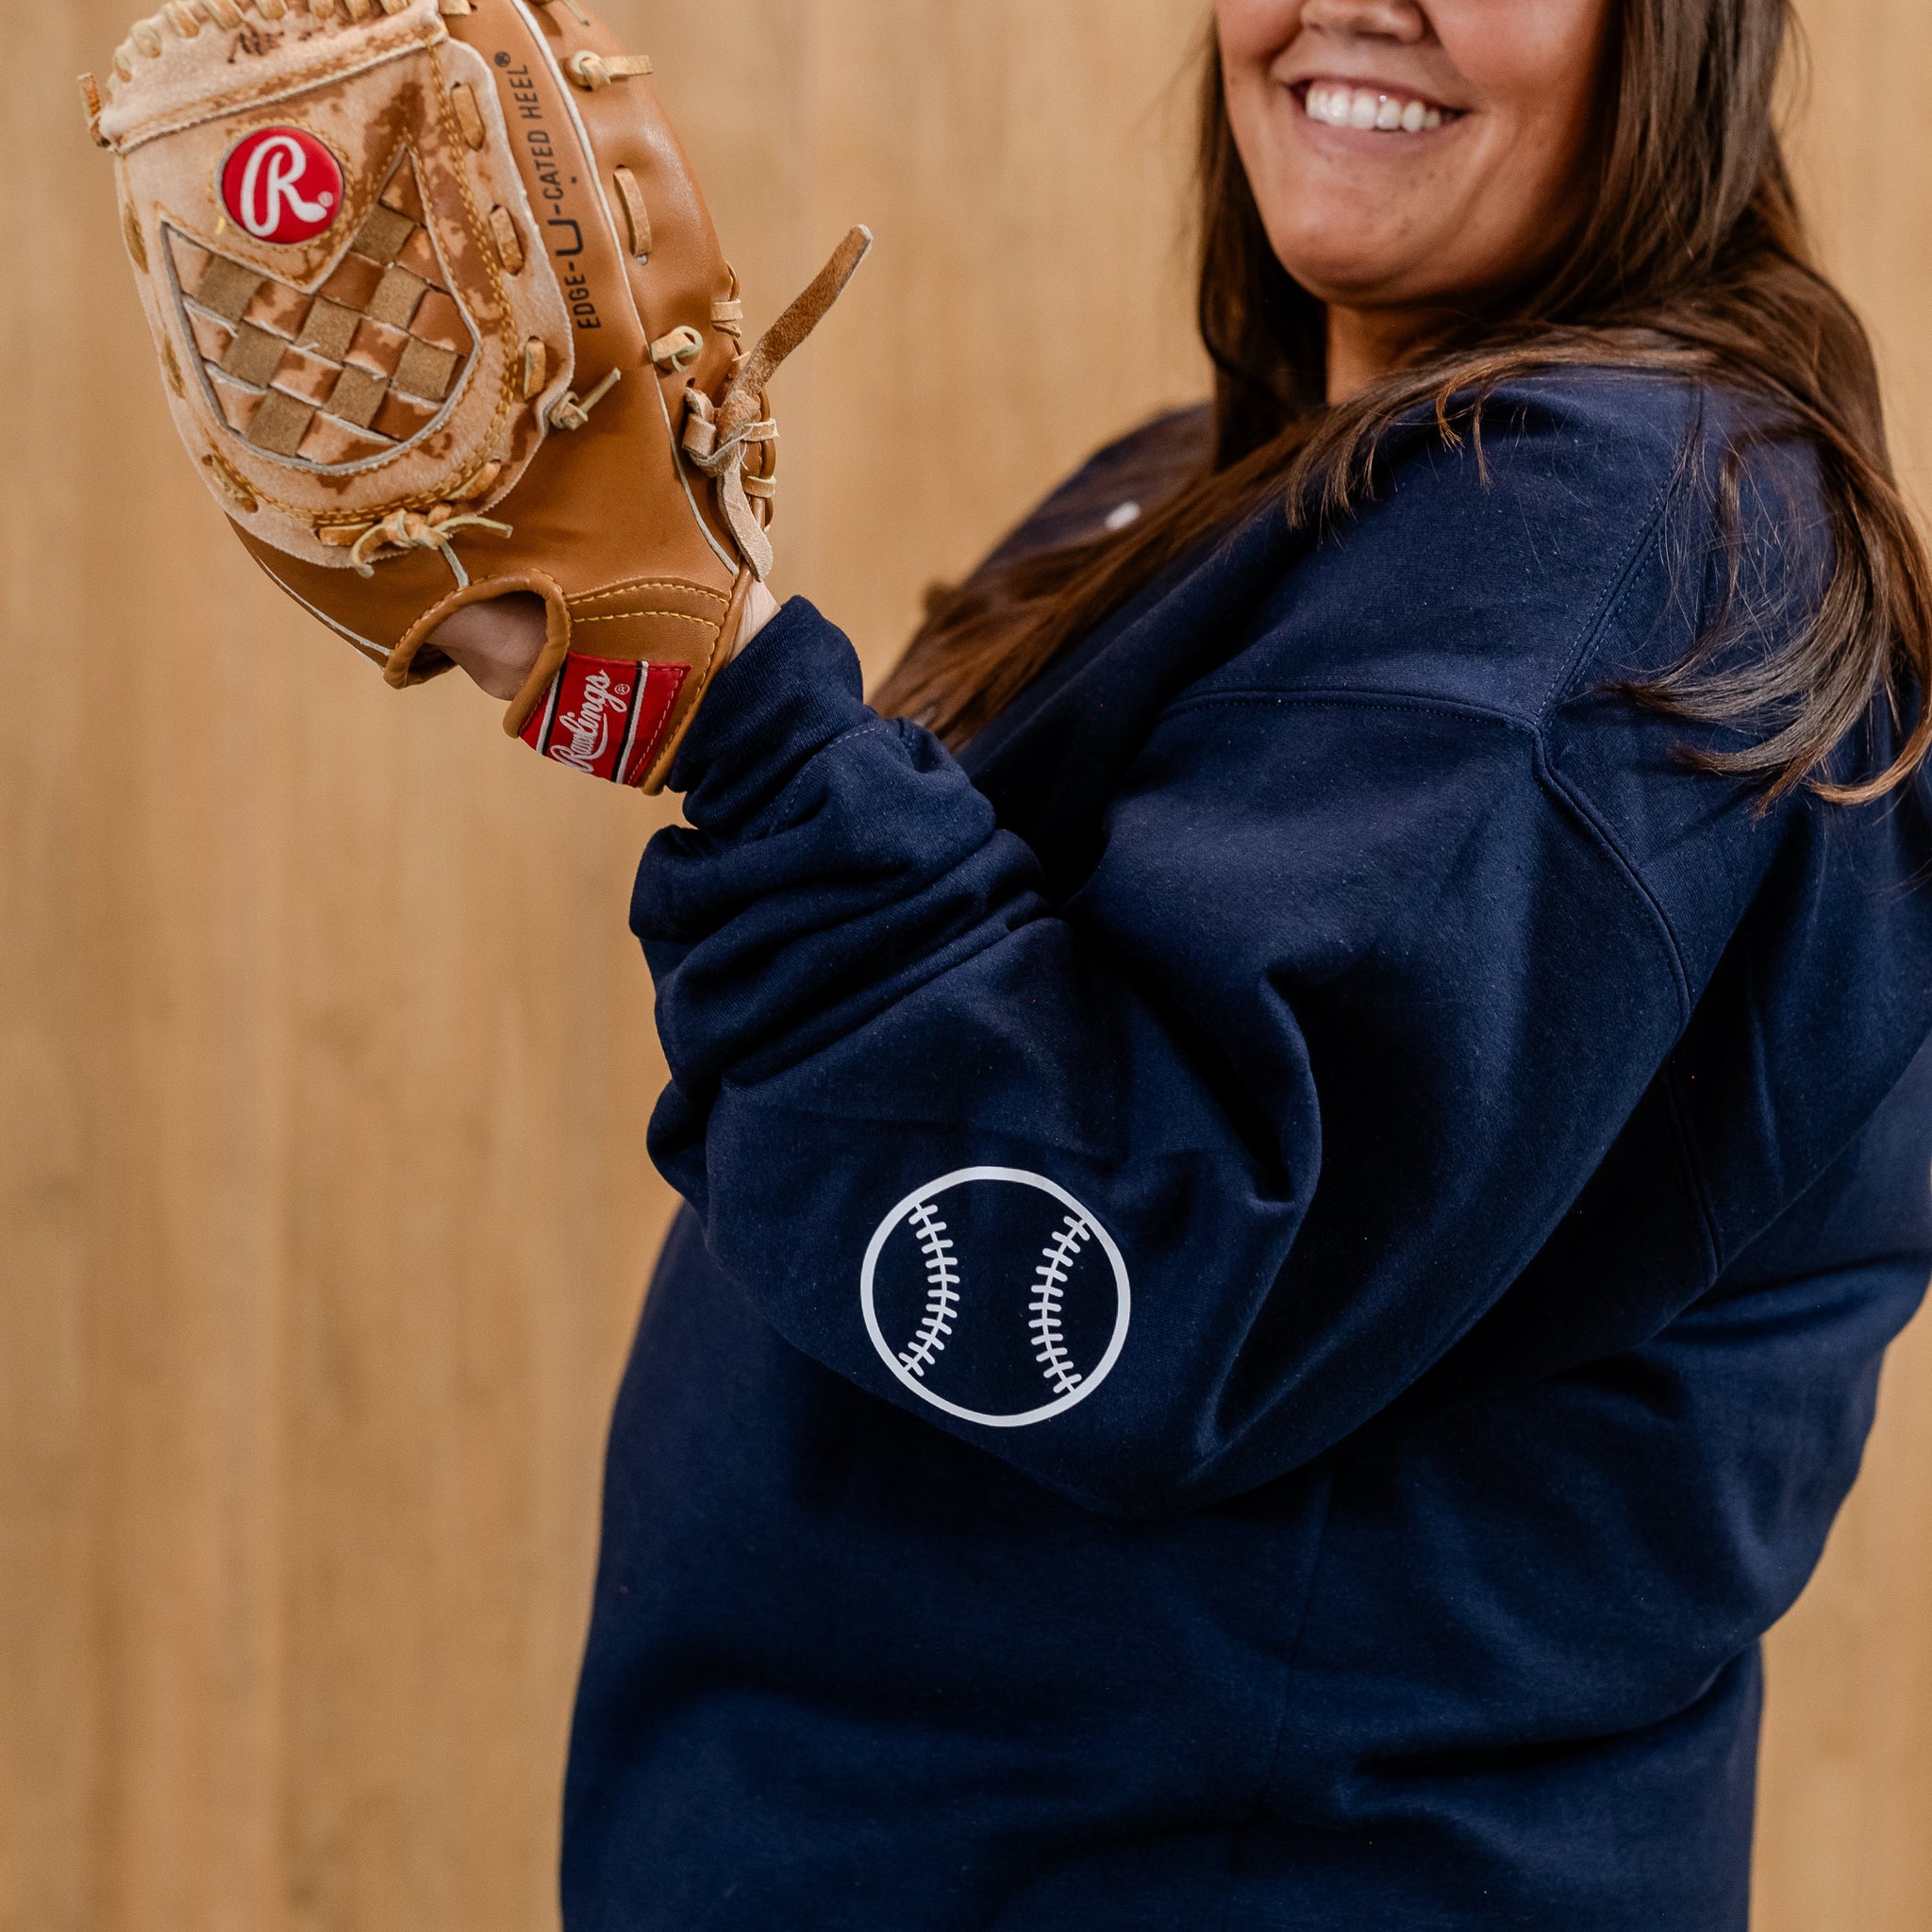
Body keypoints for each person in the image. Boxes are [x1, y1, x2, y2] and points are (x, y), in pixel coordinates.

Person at [433, 0, 1932, 1924]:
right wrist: (652, 636)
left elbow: (1134, 1253)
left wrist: (723, 699)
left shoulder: (1611, 536)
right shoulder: (1248, 482)